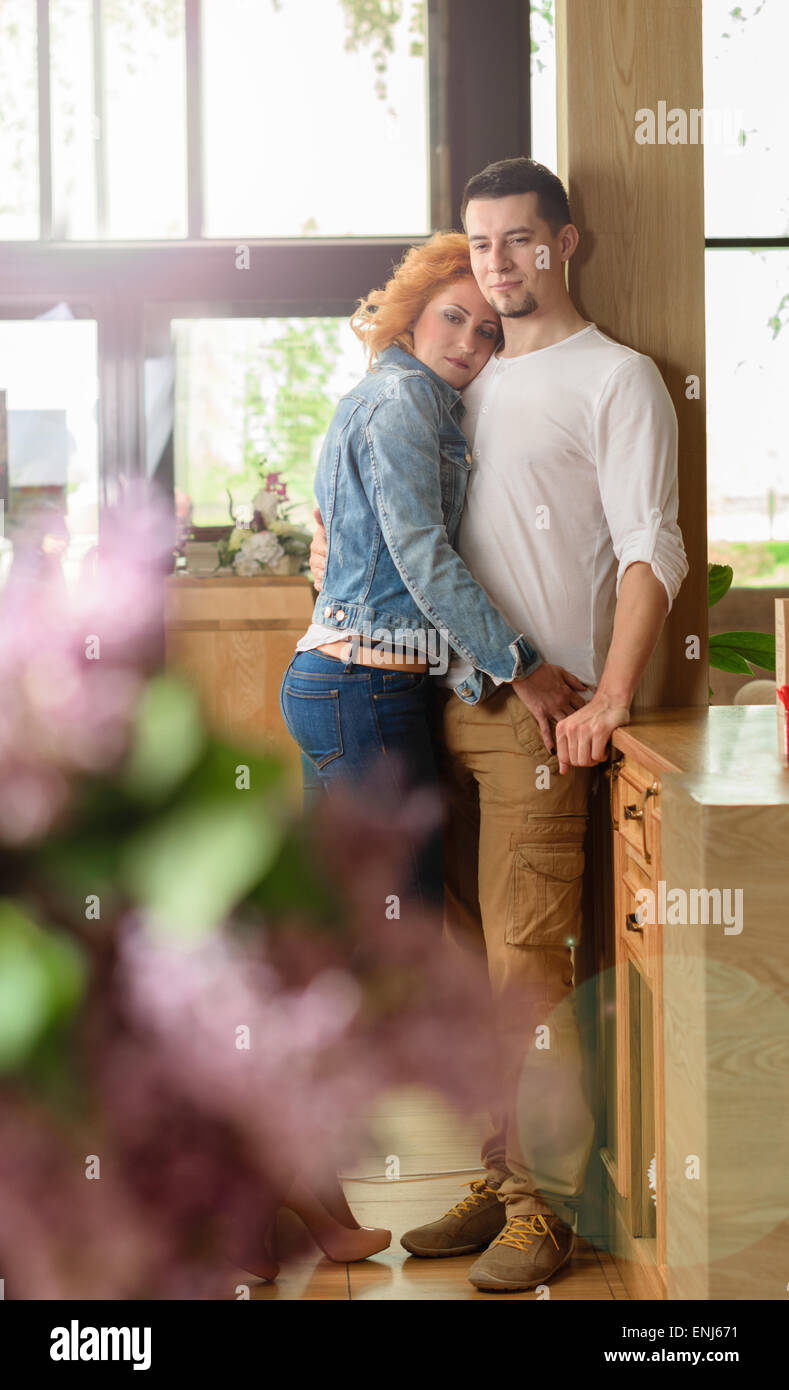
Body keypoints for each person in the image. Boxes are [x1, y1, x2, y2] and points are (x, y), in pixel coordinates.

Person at [311, 158, 689, 1293]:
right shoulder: (457, 373)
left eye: (521, 240)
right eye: (481, 245)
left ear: (565, 243)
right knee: (469, 966)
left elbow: (650, 548)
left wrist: (613, 696)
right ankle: (499, 1167)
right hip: (432, 708)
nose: (500, 264)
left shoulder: (617, 378)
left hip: (542, 714)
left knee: (527, 965)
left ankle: (548, 1205)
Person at [279, 231, 588, 911]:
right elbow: (422, 555)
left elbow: (359, 548)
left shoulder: (376, 395)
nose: (467, 344)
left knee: (343, 910)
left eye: (486, 332)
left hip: (334, 682)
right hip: (364, 686)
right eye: (452, 317)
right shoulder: (405, 401)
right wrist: (522, 668)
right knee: (404, 918)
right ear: (413, 312)